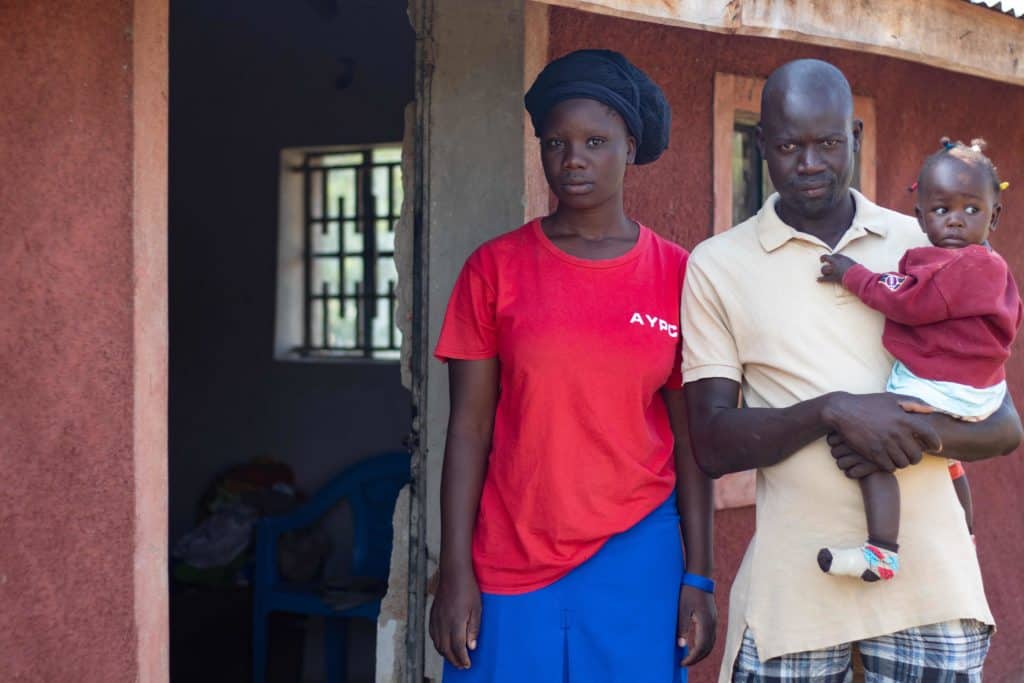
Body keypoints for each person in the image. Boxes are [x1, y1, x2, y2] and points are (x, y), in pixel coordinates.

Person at [681, 59, 1023, 682]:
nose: (808, 164)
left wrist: (904, 428)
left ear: (855, 139)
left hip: (932, 593)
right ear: (759, 146)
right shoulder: (718, 266)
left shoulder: (928, 243)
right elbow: (710, 444)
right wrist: (832, 410)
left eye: (828, 143)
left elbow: (1002, 427)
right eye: (787, 145)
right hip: (794, 598)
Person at [429, 49, 716, 682]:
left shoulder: (677, 275)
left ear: (630, 147)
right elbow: (468, 431)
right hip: (508, 553)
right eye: (556, 143)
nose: (573, 159)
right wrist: (454, 571)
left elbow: (692, 439)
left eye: (595, 141)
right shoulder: (494, 268)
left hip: (637, 556)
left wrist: (699, 574)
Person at [817, 137, 1021, 581]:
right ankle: (965, 533)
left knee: (866, 439)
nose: (955, 221)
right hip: (979, 390)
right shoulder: (989, 264)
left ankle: (882, 552)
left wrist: (852, 273)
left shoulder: (962, 266)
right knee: (950, 462)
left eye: (971, 210)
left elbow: (907, 301)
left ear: (995, 215)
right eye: (941, 209)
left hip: (944, 388)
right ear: (920, 215)